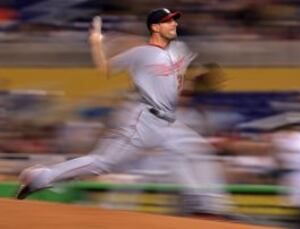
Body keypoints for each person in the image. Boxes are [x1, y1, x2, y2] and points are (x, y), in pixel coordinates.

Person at [16, 8, 230, 217]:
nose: (173, 24)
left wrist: (199, 79)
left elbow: (185, 82)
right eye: (168, 21)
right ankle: (42, 177)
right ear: (155, 27)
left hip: (167, 122)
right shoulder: (142, 53)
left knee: (194, 149)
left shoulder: (179, 50)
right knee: (103, 163)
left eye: (174, 20)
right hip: (141, 117)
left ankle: (208, 208)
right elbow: (108, 65)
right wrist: (98, 43)